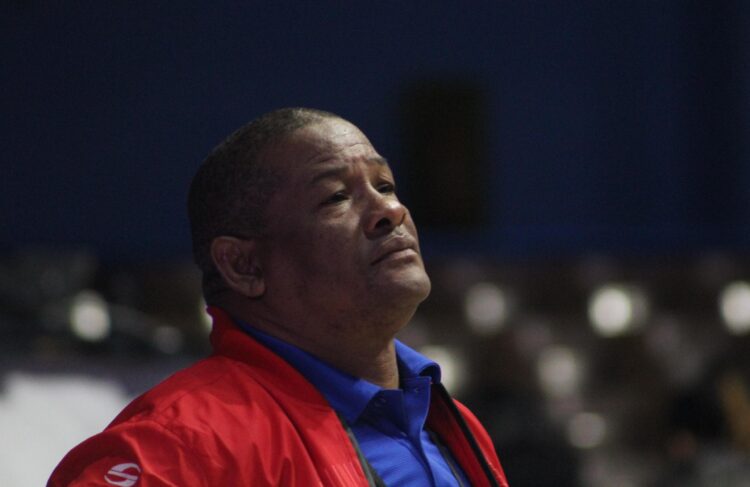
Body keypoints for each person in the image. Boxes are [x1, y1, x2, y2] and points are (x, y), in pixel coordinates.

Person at [48, 107, 509, 486]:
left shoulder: (454, 424)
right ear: (243, 265)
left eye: (385, 185)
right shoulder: (182, 444)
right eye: (336, 197)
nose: (390, 210)